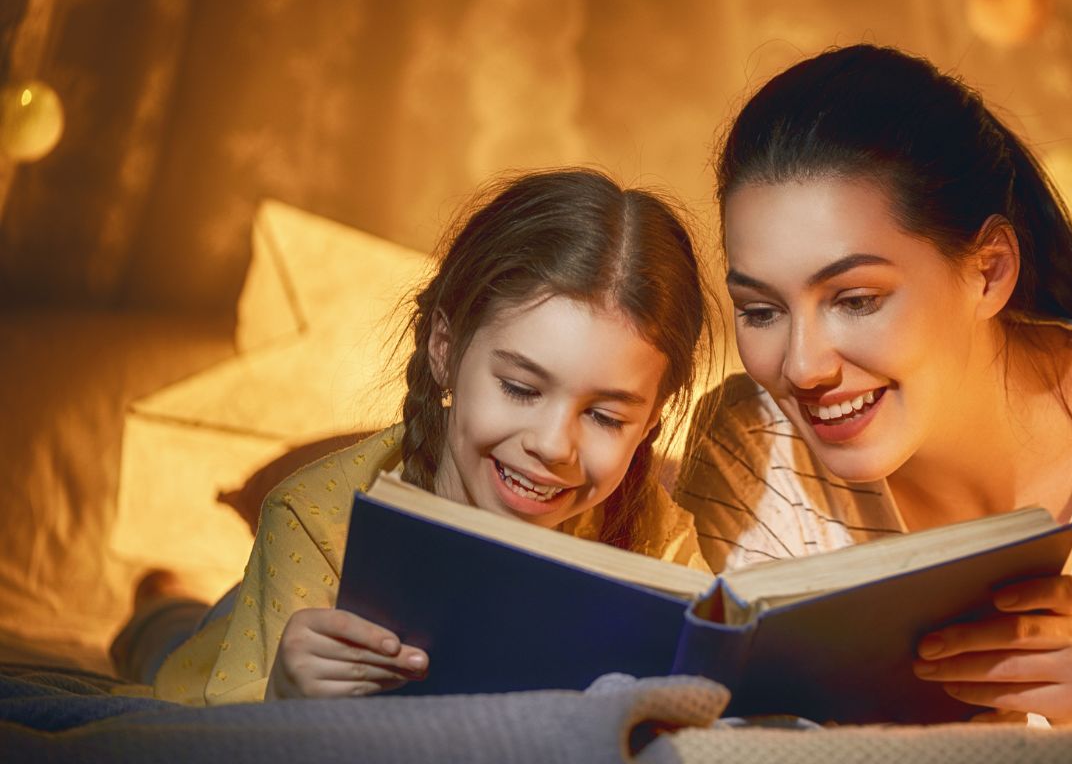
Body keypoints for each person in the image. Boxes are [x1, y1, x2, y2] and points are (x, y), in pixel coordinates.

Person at [677, 44, 1072, 724]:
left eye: (855, 299)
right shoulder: (751, 455)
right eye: (761, 311)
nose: (802, 367)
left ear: (989, 272)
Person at [148, 168, 712, 705]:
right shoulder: (316, 520)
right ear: (444, 348)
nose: (553, 446)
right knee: (162, 643)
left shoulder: (661, 546)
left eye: (607, 418)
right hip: (216, 654)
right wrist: (284, 697)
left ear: (653, 421)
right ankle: (161, 596)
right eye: (520, 388)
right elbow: (233, 732)